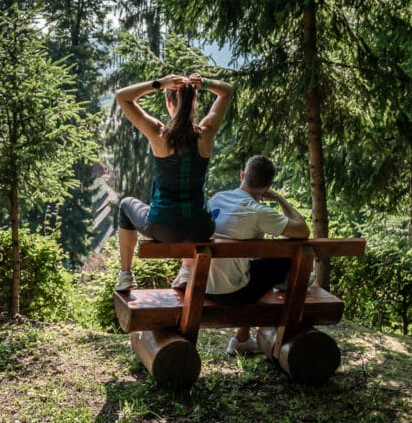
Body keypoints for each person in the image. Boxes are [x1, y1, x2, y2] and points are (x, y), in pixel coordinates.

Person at [114, 73, 233, 292]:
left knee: (125, 205)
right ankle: (186, 270)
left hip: (163, 227)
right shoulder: (206, 133)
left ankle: (125, 276)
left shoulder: (159, 134)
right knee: (199, 211)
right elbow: (227, 91)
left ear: (169, 103)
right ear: (194, 102)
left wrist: (159, 83)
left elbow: (122, 97)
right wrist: (205, 83)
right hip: (201, 228)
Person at [203, 155, 310, 356]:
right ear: (268, 186)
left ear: (242, 175)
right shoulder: (257, 211)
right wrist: (279, 199)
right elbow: (303, 231)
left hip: (203, 285)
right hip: (233, 293)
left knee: (250, 268)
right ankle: (286, 283)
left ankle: (242, 339)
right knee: (286, 257)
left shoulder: (217, 198)